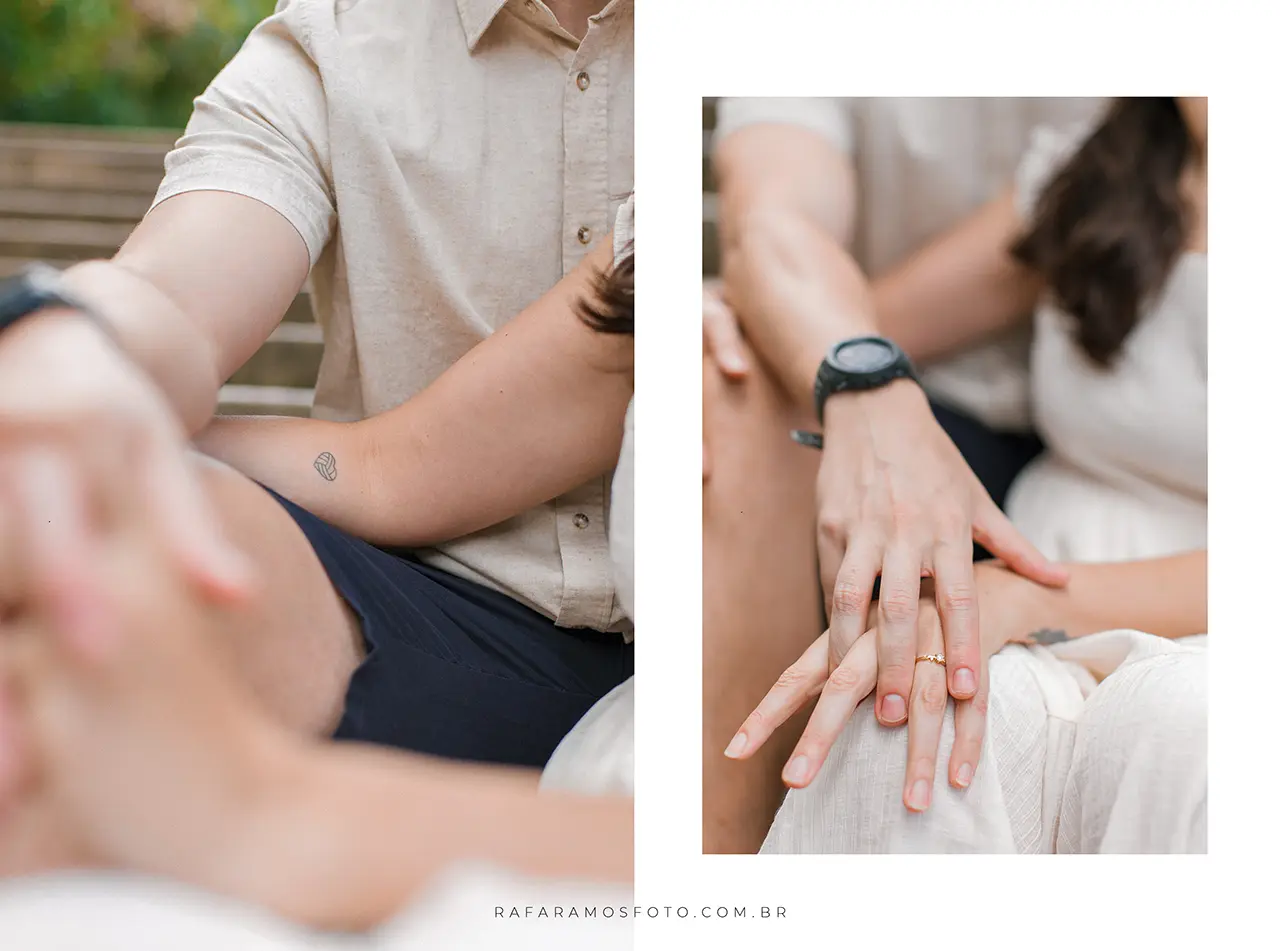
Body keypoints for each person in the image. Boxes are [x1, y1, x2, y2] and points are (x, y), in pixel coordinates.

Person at [0, 0, 632, 870]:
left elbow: (398, 469)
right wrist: (71, 336)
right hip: (437, 601)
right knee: (127, 528)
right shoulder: (340, 38)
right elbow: (172, 293)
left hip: (735, 610)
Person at [730, 97, 1207, 853]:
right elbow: (864, 330)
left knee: (1187, 726)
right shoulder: (1096, 171)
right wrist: (736, 325)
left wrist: (1014, 595)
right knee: (926, 707)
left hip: (1176, 608)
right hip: (1040, 557)